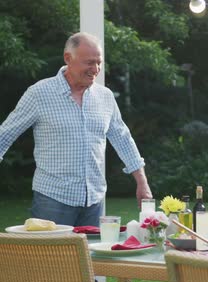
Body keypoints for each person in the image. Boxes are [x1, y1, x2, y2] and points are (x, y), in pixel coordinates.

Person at [0, 32, 152, 227]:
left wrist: (142, 182)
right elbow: (6, 134)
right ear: (67, 58)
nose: (95, 69)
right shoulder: (39, 93)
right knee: (51, 258)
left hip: (94, 202)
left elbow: (123, 138)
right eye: (89, 62)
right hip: (52, 201)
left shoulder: (105, 96)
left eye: (99, 62)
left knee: (91, 258)